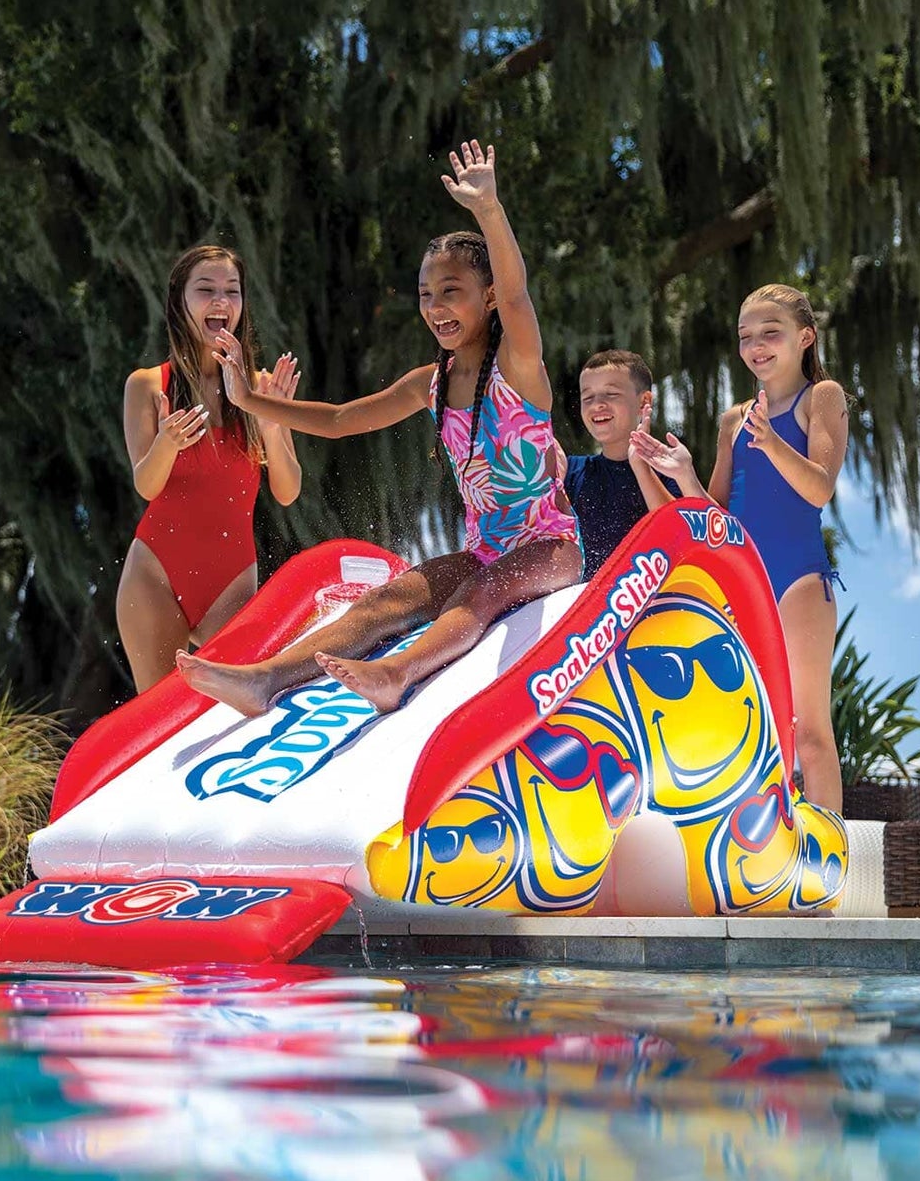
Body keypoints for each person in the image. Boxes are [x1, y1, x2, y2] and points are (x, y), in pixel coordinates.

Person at [176, 139, 583, 716]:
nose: (436, 307)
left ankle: (396, 674)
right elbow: (342, 420)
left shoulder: (517, 369)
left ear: (487, 297)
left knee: (480, 594)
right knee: (385, 600)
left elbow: (519, 294)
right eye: (425, 295)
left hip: (550, 547)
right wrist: (248, 399)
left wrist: (489, 209)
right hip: (486, 548)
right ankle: (263, 681)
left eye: (452, 292)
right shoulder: (430, 384)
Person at [629, 284, 849, 811]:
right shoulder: (733, 420)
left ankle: (831, 866)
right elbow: (717, 520)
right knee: (758, 733)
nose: (756, 346)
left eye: (770, 333)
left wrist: (772, 440)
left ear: (805, 337)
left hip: (798, 581)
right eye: (745, 336)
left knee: (810, 733)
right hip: (742, 585)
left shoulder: (823, 396)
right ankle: (764, 858)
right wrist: (679, 473)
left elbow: (820, 488)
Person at [117, 244, 303, 691]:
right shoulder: (146, 385)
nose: (221, 301)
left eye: (232, 291)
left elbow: (288, 490)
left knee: (230, 715)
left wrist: (274, 427)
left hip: (232, 580)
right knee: (158, 720)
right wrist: (166, 443)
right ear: (180, 299)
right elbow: (146, 484)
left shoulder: (259, 388)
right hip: (155, 573)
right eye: (206, 289)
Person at [565, 349, 676, 578]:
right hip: (591, 608)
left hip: (658, 605)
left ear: (644, 401)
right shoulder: (572, 471)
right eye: (588, 397)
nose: (597, 404)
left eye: (611, 394)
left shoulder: (672, 468)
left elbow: (679, 536)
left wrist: (640, 466)